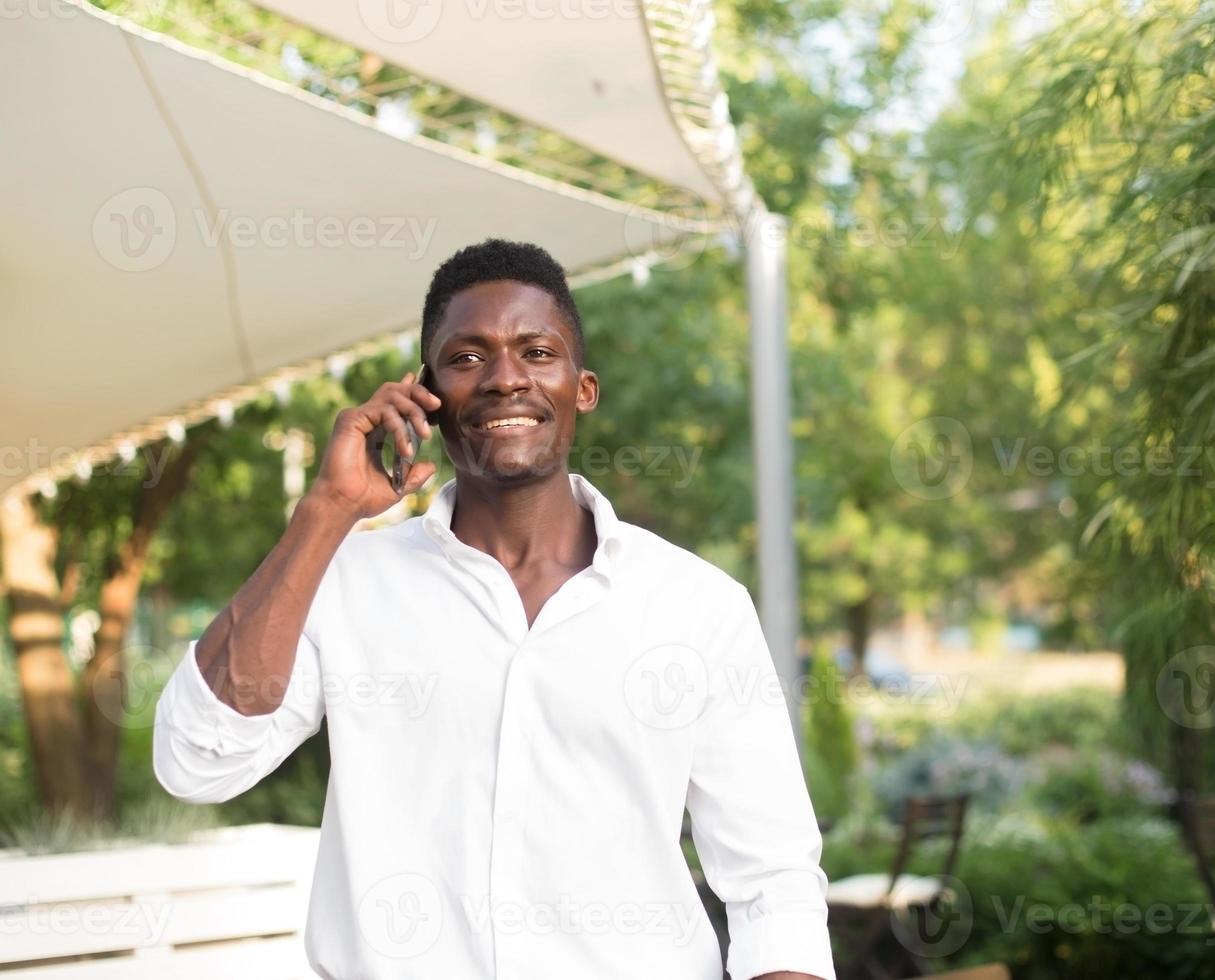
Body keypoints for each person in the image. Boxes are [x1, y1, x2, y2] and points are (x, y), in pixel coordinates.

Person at [152, 239, 835, 980]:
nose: (507, 378)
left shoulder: (697, 606)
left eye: (538, 352)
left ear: (584, 388)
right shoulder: (344, 585)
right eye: (468, 357)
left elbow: (775, 884)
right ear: (426, 393)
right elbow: (196, 761)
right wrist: (327, 510)